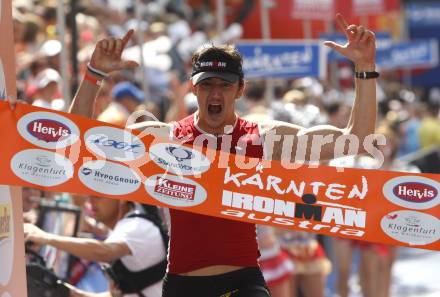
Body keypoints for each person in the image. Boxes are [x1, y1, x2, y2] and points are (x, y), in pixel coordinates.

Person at [65, 12, 378, 297]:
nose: (215, 93)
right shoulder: (165, 139)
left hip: (243, 282)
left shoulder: (264, 138)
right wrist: (94, 74)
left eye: (225, 85)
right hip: (183, 284)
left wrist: (364, 68)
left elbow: (357, 140)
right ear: (193, 89)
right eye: (207, 85)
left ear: (240, 90)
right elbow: (76, 142)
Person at [24, 197, 168, 297]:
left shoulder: (137, 226)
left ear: (122, 199)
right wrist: (71, 293)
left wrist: (45, 237)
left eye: (98, 196)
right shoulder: (122, 228)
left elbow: (104, 251)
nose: (90, 202)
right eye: (89, 196)